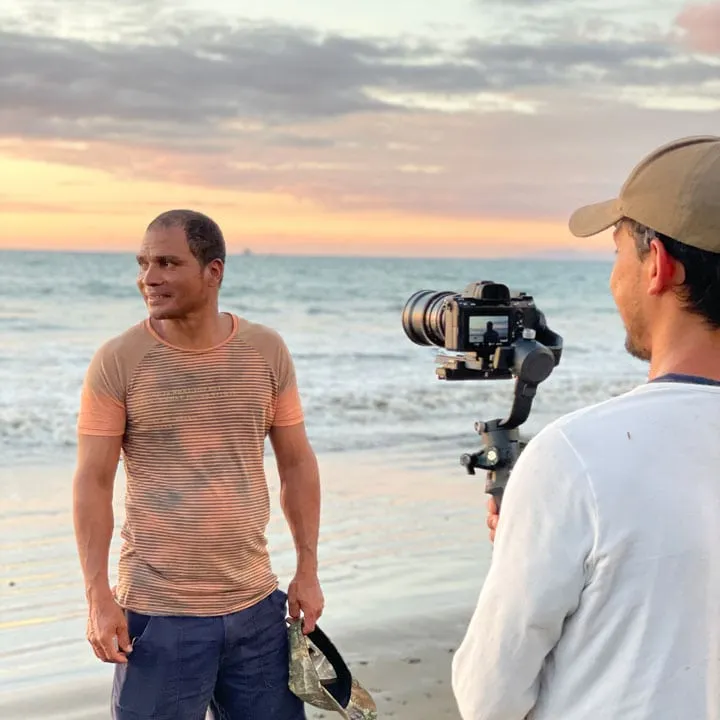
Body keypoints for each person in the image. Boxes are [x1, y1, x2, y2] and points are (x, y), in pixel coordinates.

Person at [451, 135, 720, 719]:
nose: (614, 277)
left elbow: (489, 697)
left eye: (617, 251)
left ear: (658, 265)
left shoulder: (577, 457)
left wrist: (526, 535)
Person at [72, 209, 324, 719]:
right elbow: (93, 482)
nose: (149, 277)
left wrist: (308, 569)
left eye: (167, 263)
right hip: (158, 617)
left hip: (257, 608)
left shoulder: (265, 350)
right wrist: (98, 594)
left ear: (214, 271)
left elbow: (297, 464)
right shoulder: (119, 359)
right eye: (143, 263)